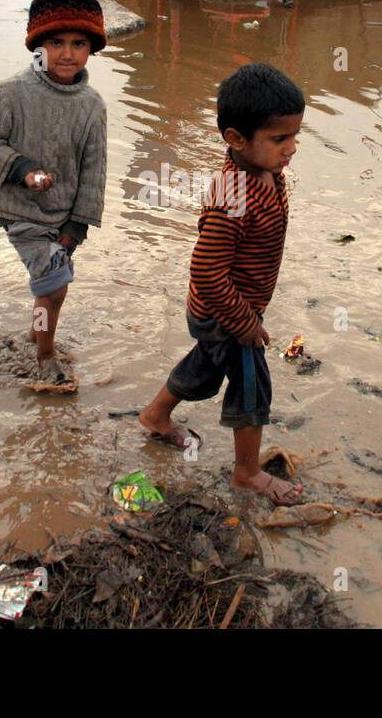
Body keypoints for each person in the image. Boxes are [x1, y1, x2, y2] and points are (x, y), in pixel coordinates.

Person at [138, 63, 306, 504]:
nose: (291, 149)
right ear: (236, 139)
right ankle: (246, 473)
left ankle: (156, 416)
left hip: (231, 308)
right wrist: (245, 323)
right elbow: (207, 273)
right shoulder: (231, 197)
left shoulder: (266, 172)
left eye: (294, 137)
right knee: (253, 385)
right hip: (225, 311)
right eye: (279, 139)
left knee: (208, 366)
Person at [0, 0, 108, 385]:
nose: (67, 54)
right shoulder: (13, 93)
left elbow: (95, 168)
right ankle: (46, 361)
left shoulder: (92, 105)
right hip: (20, 212)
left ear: (92, 48)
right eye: (55, 42)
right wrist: (22, 169)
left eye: (78, 43)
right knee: (52, 288)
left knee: (56, 290)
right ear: (37, 45)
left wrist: (77, 225)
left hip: (63, 215)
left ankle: (34, 335)